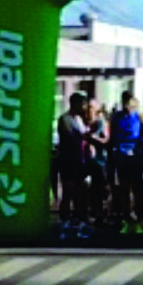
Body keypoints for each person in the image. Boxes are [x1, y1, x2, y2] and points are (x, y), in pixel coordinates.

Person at [109, 92, 143, 234]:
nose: (128, 106)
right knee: (124, 187)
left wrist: (142, 149)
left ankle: (139, 217)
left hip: (136, 156)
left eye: (130, 102)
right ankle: (126, 217)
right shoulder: (117, 117)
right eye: (125, 102)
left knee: (138, 187)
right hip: (121, 156)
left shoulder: (140, 117)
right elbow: (112, 136)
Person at [56, 93, 91, 239]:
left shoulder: (78, 119)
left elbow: (84, 136)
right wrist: (85, 136)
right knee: (68, 191)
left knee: (81, 192)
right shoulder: (65, 119)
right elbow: (72, 137)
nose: (84, 107)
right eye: (82, 104)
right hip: (67, 160)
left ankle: (78, 221)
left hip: (79, 160)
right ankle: (64, 222)